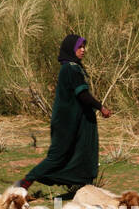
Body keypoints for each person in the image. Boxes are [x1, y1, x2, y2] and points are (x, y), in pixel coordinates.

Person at [19, 34, 110, 193]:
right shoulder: (70, 69)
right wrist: (100, 107)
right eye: (79, 47)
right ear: (71, 49)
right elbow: (82, 95)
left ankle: (82, 190)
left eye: (83, 47)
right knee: (58, 156)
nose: (83, 50)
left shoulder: (74, 67)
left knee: (82, 152)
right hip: (66, 123)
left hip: (75, 122)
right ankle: (25, 183)